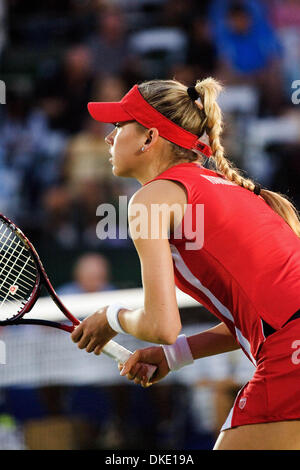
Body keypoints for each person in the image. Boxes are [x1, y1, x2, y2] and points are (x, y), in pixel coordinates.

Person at [71, 78, 300, 450]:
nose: (109, 139)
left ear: (149, 138)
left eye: (118, 126)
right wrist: (175, 356)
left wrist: (111, 317)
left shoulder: (149, 201)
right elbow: (262, 319)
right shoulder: (230, 189)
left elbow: (162, 325)